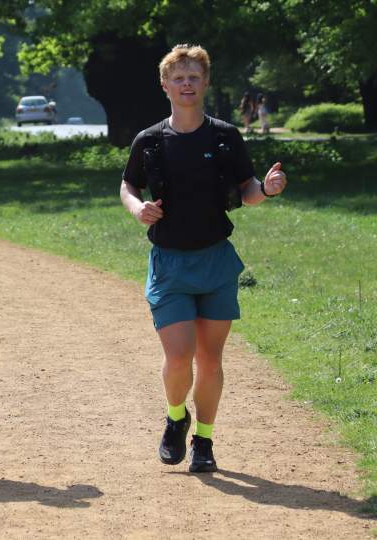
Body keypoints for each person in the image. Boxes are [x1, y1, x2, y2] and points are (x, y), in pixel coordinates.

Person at [119, 44, 286, 473]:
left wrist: (266, 190)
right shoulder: (150, 140)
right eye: (179, 78)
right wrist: (138, 209)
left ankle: (205, 441)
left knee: (210, 360)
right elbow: (128, 185)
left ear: (206, 82)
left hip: (216, 263)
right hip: (170, 264)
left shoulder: (225, 137)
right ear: (165, 85)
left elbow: (247, 190)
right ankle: (176, 417)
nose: (187, 84)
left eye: (194, 77)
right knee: (179, 357)